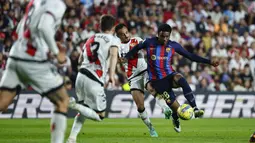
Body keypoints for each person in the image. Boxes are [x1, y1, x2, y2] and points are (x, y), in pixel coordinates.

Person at [0, 1, 101, 143]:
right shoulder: (58, 4)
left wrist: (42, 46)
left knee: (2, 103)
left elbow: (20, 28)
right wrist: (55, 52)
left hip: (16, 55)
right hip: (32, 60)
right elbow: (43, 27)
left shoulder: (36, 1)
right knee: (62, 101)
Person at [124, 23, 219, 133]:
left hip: (170, 75)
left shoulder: (173, 45)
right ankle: (175, 117)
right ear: (158, 34)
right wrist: (126, 57)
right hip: (157, 82)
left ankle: (195, 108)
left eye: (167, 36)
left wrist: (209, 62)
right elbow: (136, 48)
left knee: (181, 78)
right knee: (176, 109)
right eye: (162, 36)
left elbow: (191, 56)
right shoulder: (149, 42)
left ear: (169, 36)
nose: (165, 39)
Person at [67, 15, 119, 143]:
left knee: (84, 111)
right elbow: (113, 56)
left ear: (100, 26)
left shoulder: (91, 37)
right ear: (113, 27)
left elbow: (80, 59)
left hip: (81, 75)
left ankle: (72, 138)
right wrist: (111, 75)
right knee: (100, 116)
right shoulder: (113, 39)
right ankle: (74, 105)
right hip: (94, 79)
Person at [115, 23, 172, 137]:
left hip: (145, 71)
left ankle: (165, 108)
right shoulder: (116, 47)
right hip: (133, 77)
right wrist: (119, 61)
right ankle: (151, 128)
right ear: (118, 36)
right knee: (140, 106)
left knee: (151, 88)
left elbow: (149, 47)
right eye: (122, 34)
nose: (126, 35)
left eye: (126, 32)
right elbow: (115, 61)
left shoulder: (137, 40)